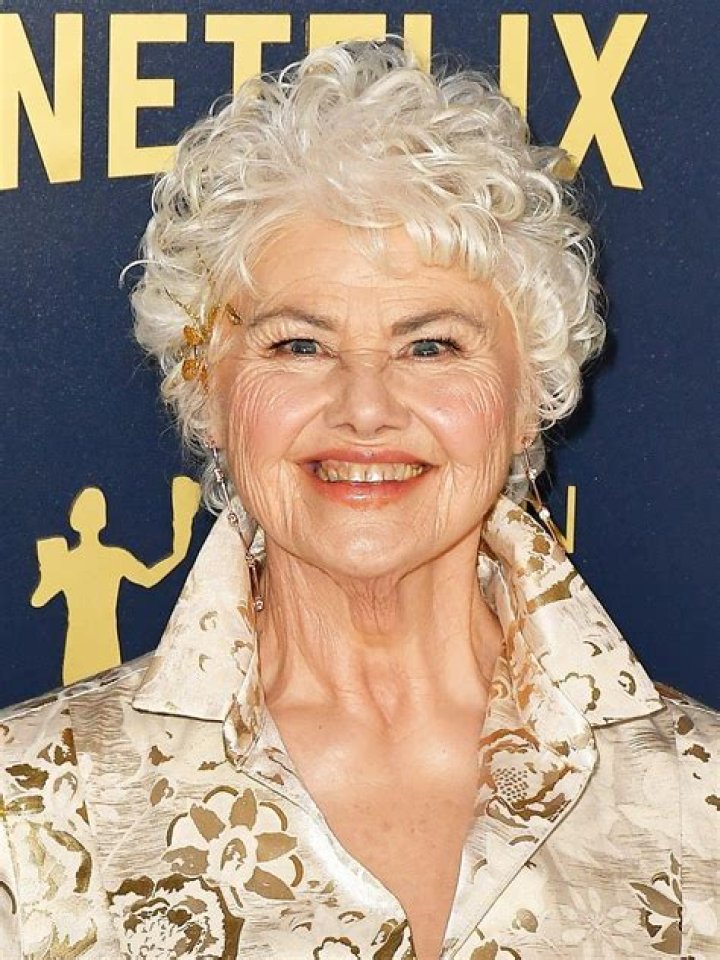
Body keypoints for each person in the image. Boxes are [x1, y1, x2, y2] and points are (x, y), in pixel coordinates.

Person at [0, 39, 717, 960]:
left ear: (529, 396)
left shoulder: (702, 799)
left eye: (432, 346)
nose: (366, 408)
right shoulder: (29, 805)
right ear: (207, 393)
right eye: (299, 345)